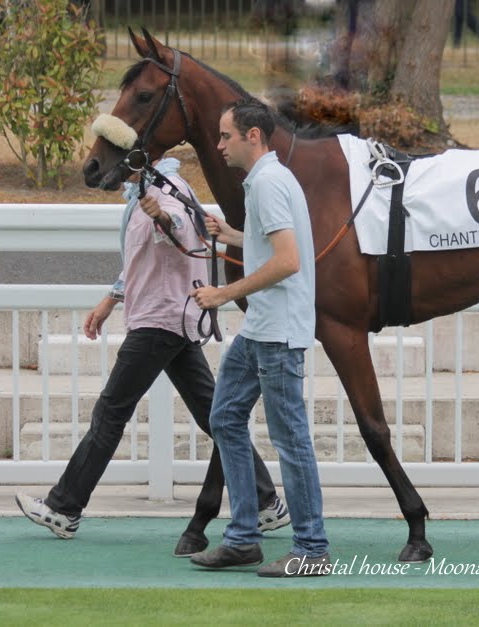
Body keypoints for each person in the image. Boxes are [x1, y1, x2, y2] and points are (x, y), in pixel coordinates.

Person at [15, 155, 289, 546]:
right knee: (215, 416)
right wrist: (111, 300)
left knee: (110, 413)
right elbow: (143, 259)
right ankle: (267, 502)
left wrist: (161, 216)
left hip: (158, 323)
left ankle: (64, 507)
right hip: (170, 320)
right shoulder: (157, 190)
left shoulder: (166, 195)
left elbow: (175, 227)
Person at [188, 99, 330, 577]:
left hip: (277, 333)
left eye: (226, 135)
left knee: (290, 440)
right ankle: (243, 539)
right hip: (263, 329)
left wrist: (224, 293)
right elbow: (273, 244)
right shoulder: (269, 179)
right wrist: (231, 233)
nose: (219, 144)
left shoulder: (267, 183)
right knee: (225, 417)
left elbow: (287, 260)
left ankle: (311, 549)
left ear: (253, 137)